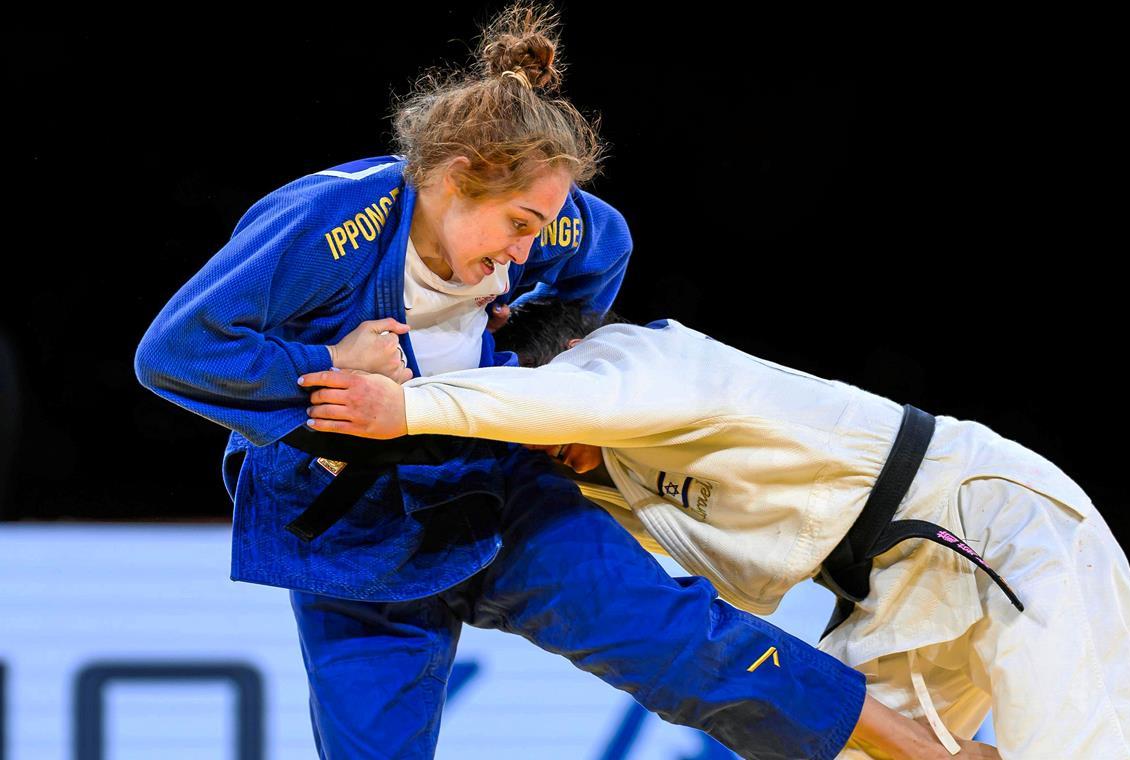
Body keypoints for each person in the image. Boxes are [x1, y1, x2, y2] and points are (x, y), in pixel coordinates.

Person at [131, 4, 972, 758]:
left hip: (494, 486)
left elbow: (605, 248)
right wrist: (326, 369)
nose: (529, 248)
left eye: (539, 225)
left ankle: (927, 753)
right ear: (456, 177)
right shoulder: (330, 222)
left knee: (686, 643)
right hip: (352, 531)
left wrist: (541, 346)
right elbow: (176, 351)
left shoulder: (552, 220)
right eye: (517, 224)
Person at [299, 297, 1130, 759]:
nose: (543, 450)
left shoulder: (640, 362)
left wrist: (403, 408)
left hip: (988, 521)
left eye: (534, 423)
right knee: (833, 745)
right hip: (885, 594)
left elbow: (563, 399)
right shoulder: (594, 476)